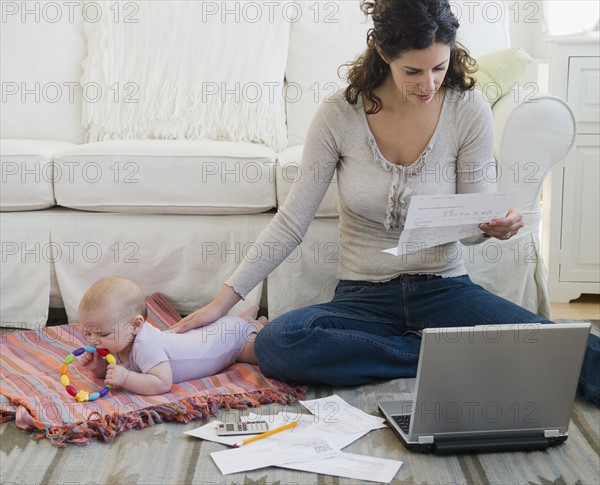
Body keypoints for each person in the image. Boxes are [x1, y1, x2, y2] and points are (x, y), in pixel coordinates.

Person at [173, 0, 599, 406]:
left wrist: (493, 226)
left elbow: (471, 228)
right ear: (383, 52)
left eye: (439, 66)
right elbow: (290, 223)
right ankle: (462, 355)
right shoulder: (339, 115)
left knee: (564, 344)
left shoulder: (467, 109)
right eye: (413, 71)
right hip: (363, 299)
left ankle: (451, 353)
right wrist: (220, 303)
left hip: (445, 290)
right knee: (278, 343)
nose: (428, 84)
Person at [78, 276, 265, 395]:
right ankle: (245, 318)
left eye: (101, 334)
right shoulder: (118, 341)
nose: (92, 340)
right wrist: (99, 368)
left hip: (231, 343)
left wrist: (126, 379)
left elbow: (162, 383)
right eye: (87, 332)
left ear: (135, 325)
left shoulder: (146, 346)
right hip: (210, 333)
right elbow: (117, 370)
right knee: (227, 325)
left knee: (260, 350)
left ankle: (254, 325)